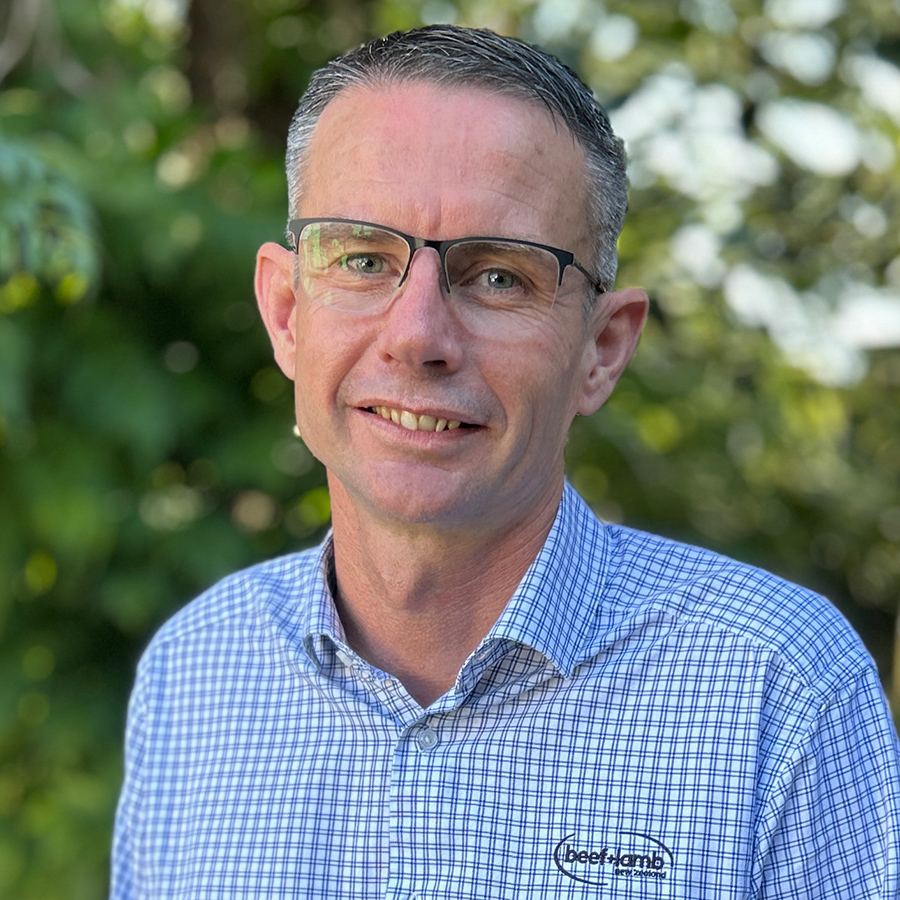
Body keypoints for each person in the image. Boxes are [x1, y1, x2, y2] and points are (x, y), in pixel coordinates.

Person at [111, 25, 900, 899]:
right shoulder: (194, 672)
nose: (417, 337)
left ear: (601, 348)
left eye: (498, 277)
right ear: (288, 312)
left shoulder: (779, 691)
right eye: (365, 259)